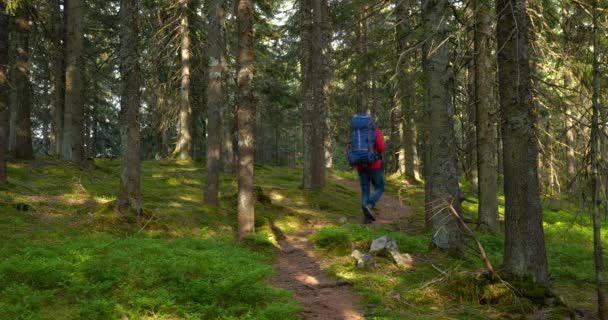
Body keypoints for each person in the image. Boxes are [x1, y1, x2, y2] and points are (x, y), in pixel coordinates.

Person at [356, 125, 385, 224]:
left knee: (365, 190)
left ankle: (366, 219)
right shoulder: (375, 131)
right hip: (374, 165)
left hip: (360, 165)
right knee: (380, 187)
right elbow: (381, 148)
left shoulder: (356, 133)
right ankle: (369, 204)